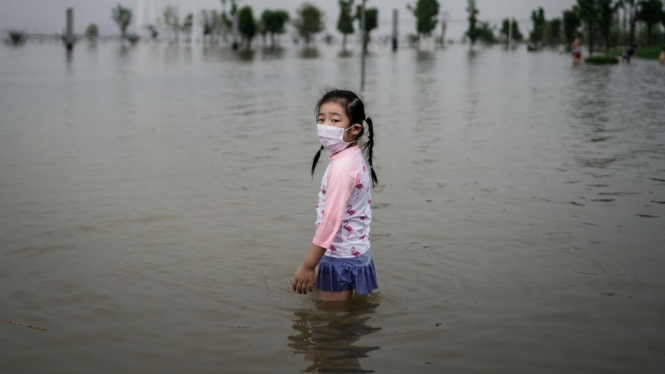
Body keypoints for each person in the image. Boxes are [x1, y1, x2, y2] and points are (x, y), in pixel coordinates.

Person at [292, 89, 379, 302]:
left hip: (341, 257)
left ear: (355, 129)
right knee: (342, 318)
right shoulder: (351, 157)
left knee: (333, 326)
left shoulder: (342, 168)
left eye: (334, 120)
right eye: (321, 119)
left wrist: (308, 265)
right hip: (355, 250)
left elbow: (331, 221)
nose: (325, 126)